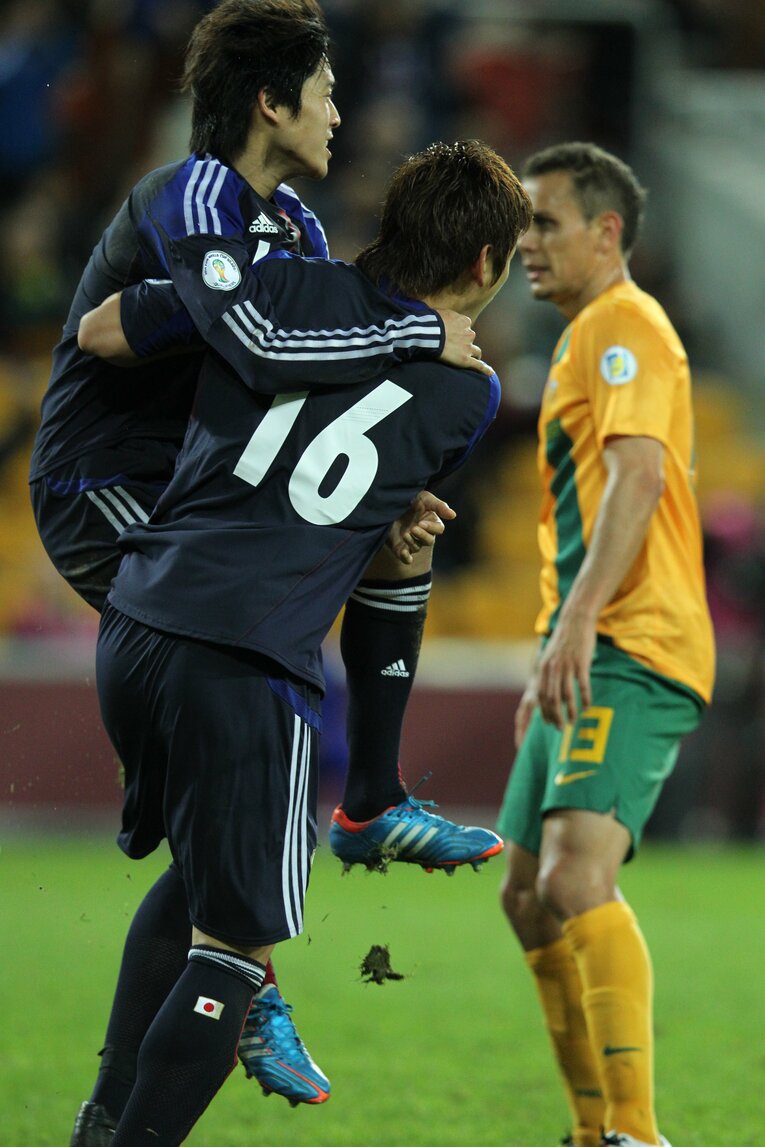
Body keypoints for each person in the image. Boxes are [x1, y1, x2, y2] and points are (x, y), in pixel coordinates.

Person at [25, 1, 490, 1134]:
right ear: (273, 102)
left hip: (190, 495)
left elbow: (227, 340)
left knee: (221, 838)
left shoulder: (292, 236)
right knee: (249, 641)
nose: (339, 112)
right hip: (112, 493)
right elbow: (266, 344)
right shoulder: (191, 194)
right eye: (325, 91)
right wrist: (418, 333)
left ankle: (206, 1002)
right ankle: (251, 976)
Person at [496, 142, 715, 1147]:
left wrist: (578, 624)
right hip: (585, 644)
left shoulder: (624, 325)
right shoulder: (588, 336)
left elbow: (637, 480)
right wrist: (556, 639)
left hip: (633, 641)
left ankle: (636, 1132)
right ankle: (593, 1132)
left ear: (607, 231)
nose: (524, 243)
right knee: (527, 896)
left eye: (543, 221)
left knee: (575, 879)